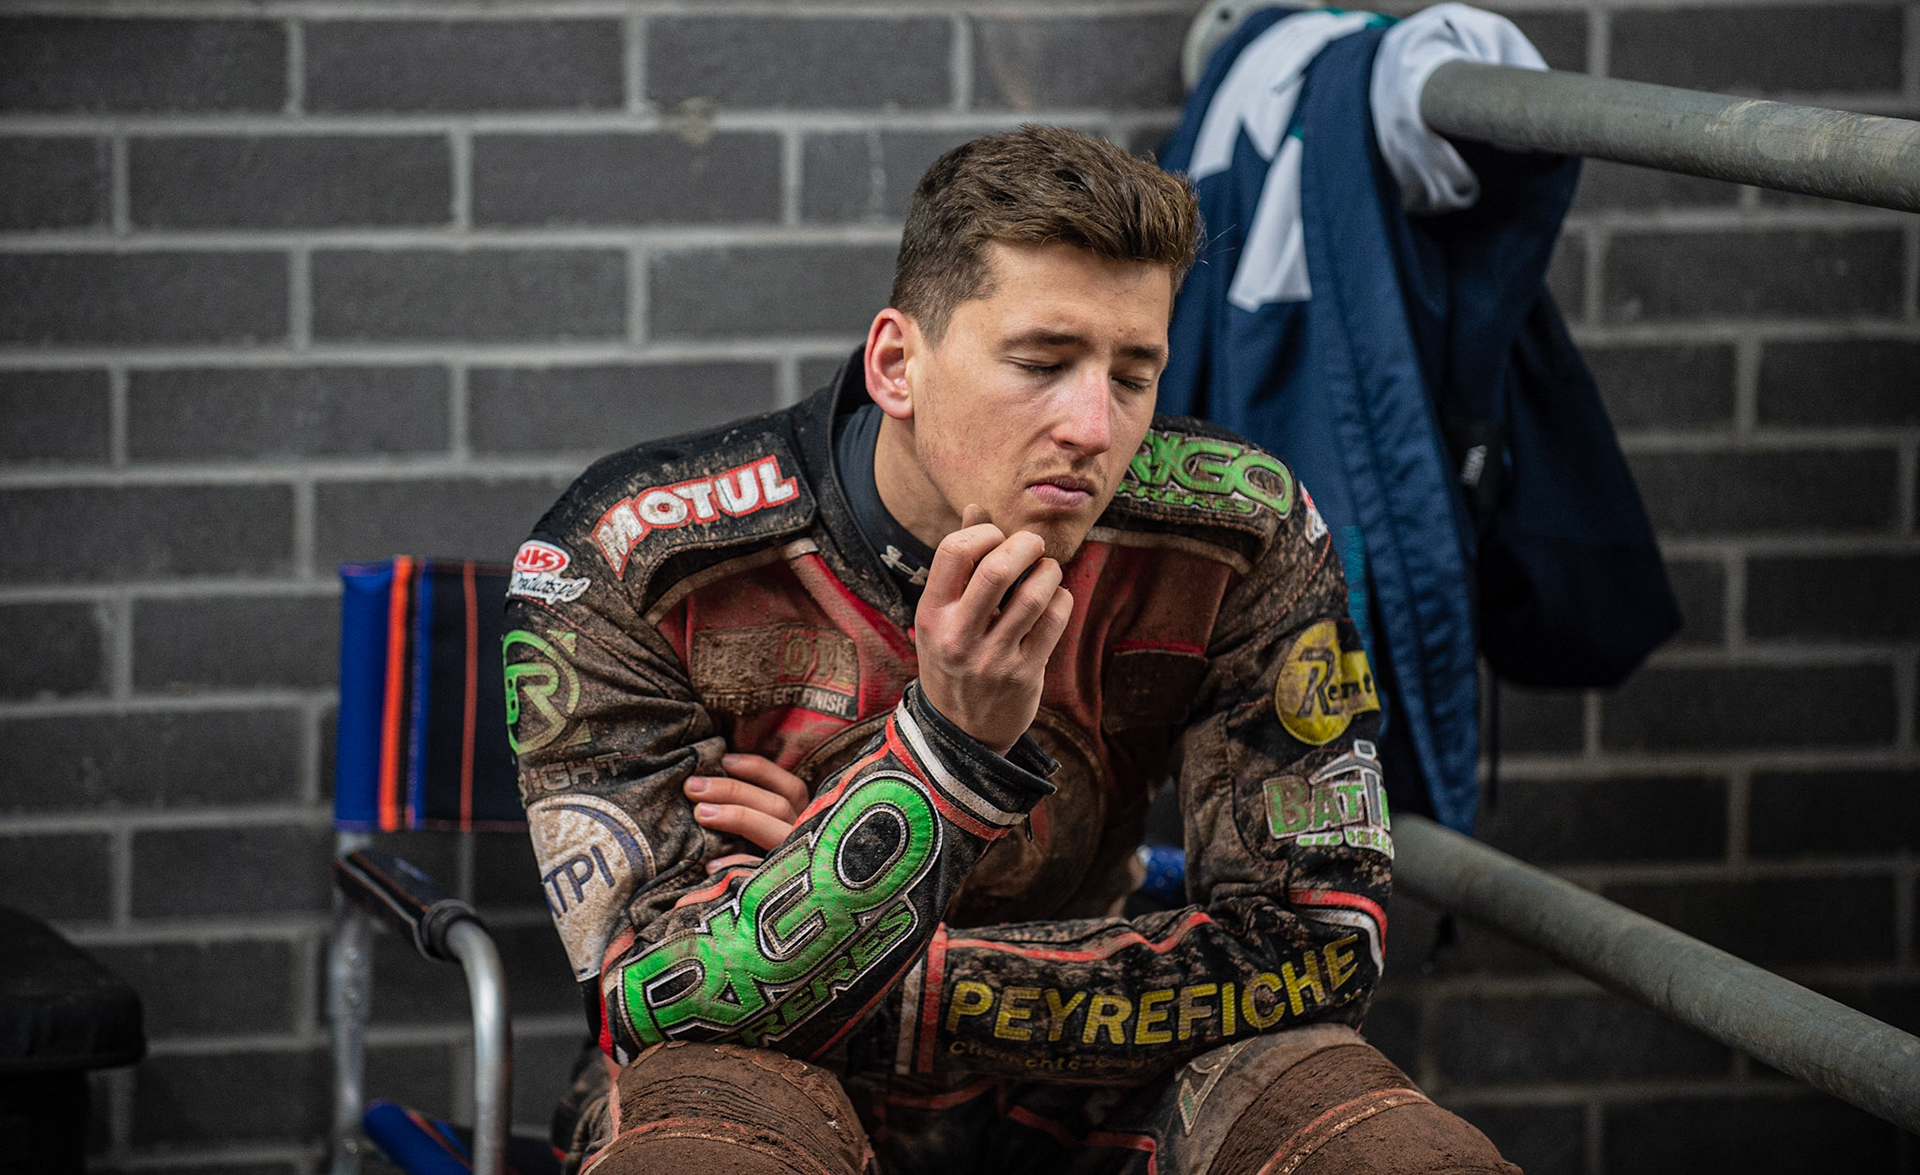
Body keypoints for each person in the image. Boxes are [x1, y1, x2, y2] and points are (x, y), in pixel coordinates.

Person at [502, 125, 1519, 1174]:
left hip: (1109, 1083)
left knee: (1399, 1151)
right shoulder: (640, 553)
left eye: (1134, 375)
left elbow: (1318, 952)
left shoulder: (1238, 533)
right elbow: (656, 1005)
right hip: (763, 1088)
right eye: (1043, 362)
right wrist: (950, 748)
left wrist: (813, 908)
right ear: (898, 362)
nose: (1092, 424)